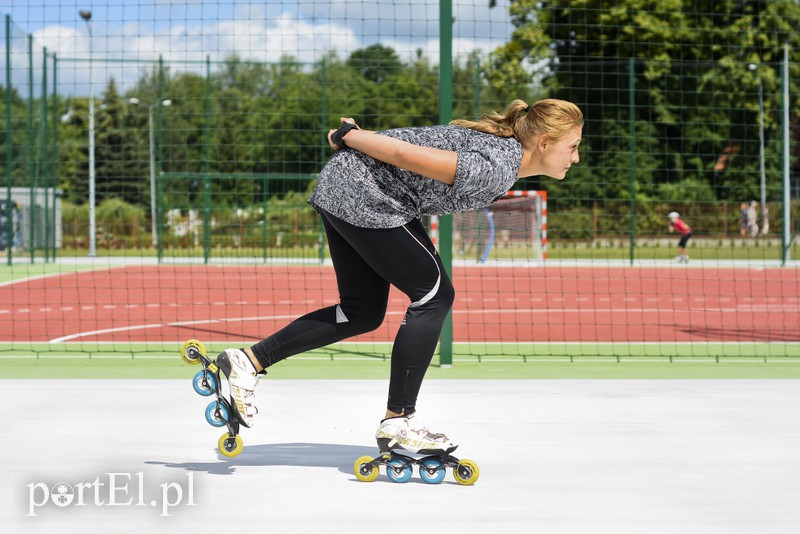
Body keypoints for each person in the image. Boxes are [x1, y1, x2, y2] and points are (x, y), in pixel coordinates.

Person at [213, 98, 584, 456]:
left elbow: (413, 143)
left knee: (361, 312)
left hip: (349, 186)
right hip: (369, 195)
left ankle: (247, 362)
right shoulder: (497, 167)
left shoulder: (502, 155)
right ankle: (399, 421)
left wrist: (354, 137)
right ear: (543, 142)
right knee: (435, 295)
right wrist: (352, 137)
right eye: (572, 146)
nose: (576, 157)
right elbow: (406, 154)